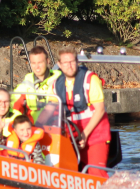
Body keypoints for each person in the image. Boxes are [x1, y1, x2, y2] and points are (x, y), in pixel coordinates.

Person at [54, 47, 111, 178]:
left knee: (95, 172)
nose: (69, 66)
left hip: (95, 134)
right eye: (65, 62)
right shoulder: (56, 84)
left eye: (72, 61)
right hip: (72, 135)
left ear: (77, 61)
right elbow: (54, 113)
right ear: (59, 64)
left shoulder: (90, 80)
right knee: (67, 170)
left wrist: (84, 135)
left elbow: (100, 109)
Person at [12, 45, 61, 124]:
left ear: (47, 61)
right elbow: (14, 102)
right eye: (33, 63)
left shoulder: (58, 77)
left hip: (54, 128)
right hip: (31, 130)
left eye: (40, 62)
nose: (37, 67)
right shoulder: (28, 79)